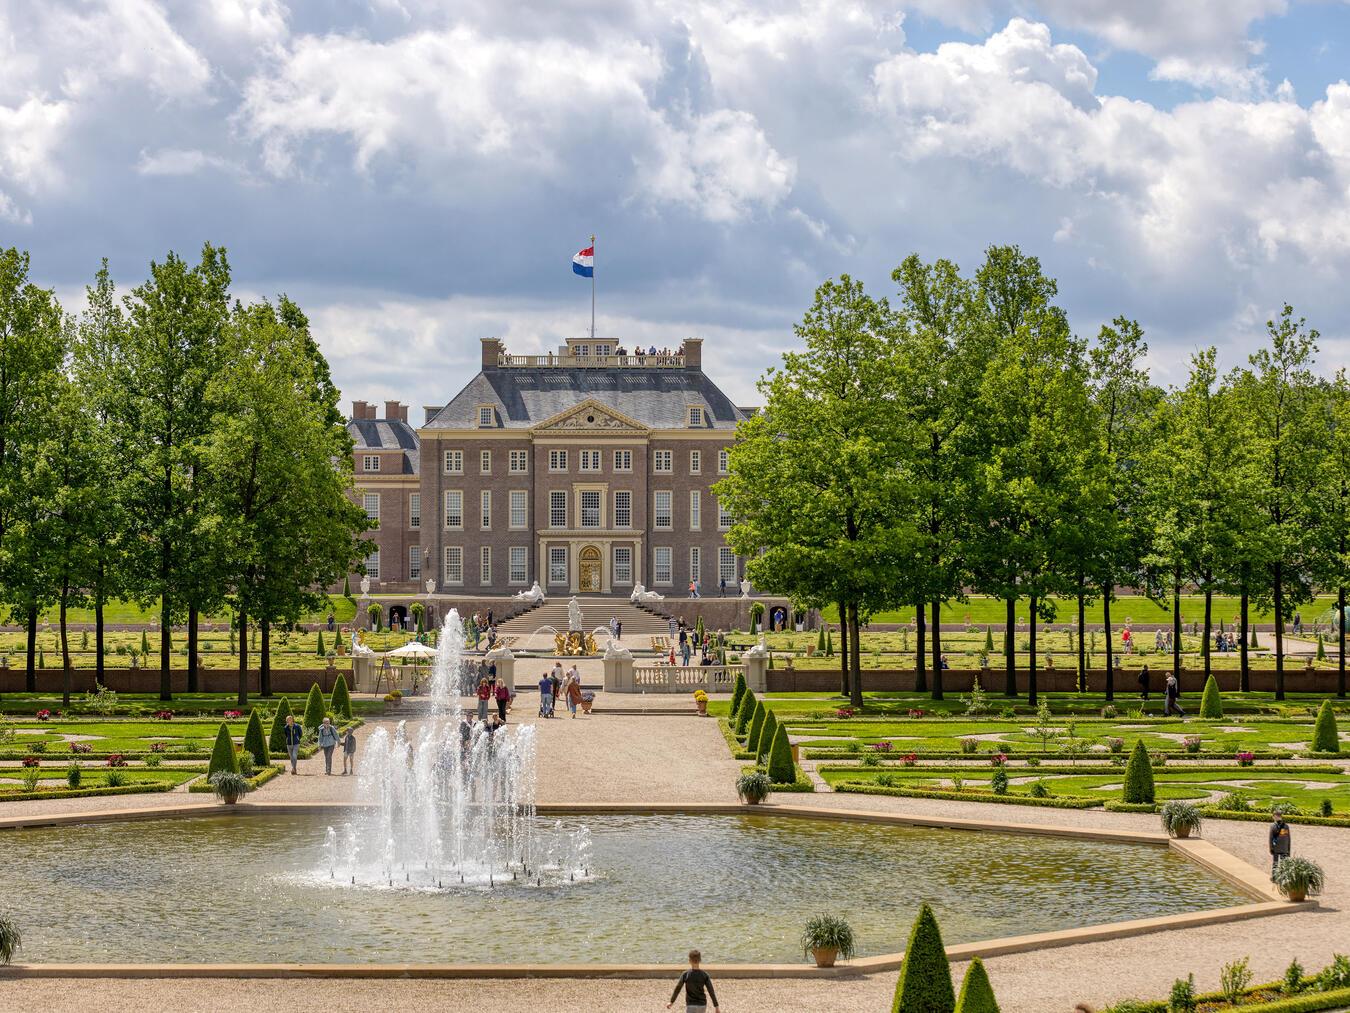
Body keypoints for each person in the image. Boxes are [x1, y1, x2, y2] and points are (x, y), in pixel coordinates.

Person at [1269, 809, 1291, 878]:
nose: (1273, 817)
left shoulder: (1273, 826)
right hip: (1284, 848)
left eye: (1273, 816)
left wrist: (1271, 848)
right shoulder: (1286, 826)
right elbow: (1288, 838)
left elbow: (1270, 838)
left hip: (1276, 848)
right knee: (1283, 863)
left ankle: (1274, 877)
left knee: (1275, 863)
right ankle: (1283, 877)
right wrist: (1288, 849)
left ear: (1275, 816)